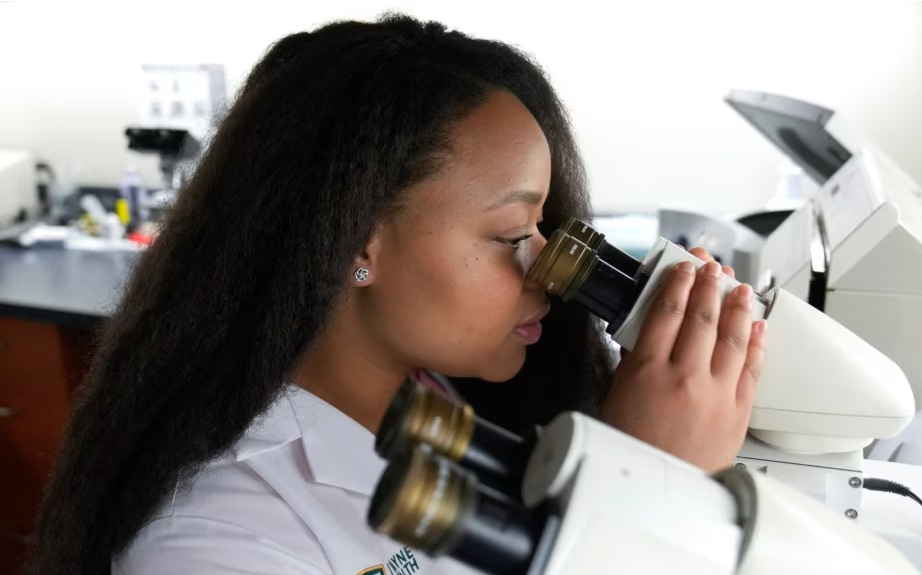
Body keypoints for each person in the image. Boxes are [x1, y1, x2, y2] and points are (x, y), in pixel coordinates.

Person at [28, 13, 766, 575]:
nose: (545, 271)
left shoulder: (439, 398)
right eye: (512, 236)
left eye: (543, 230)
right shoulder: (214, 539)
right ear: (356, 243)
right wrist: (644, 505)